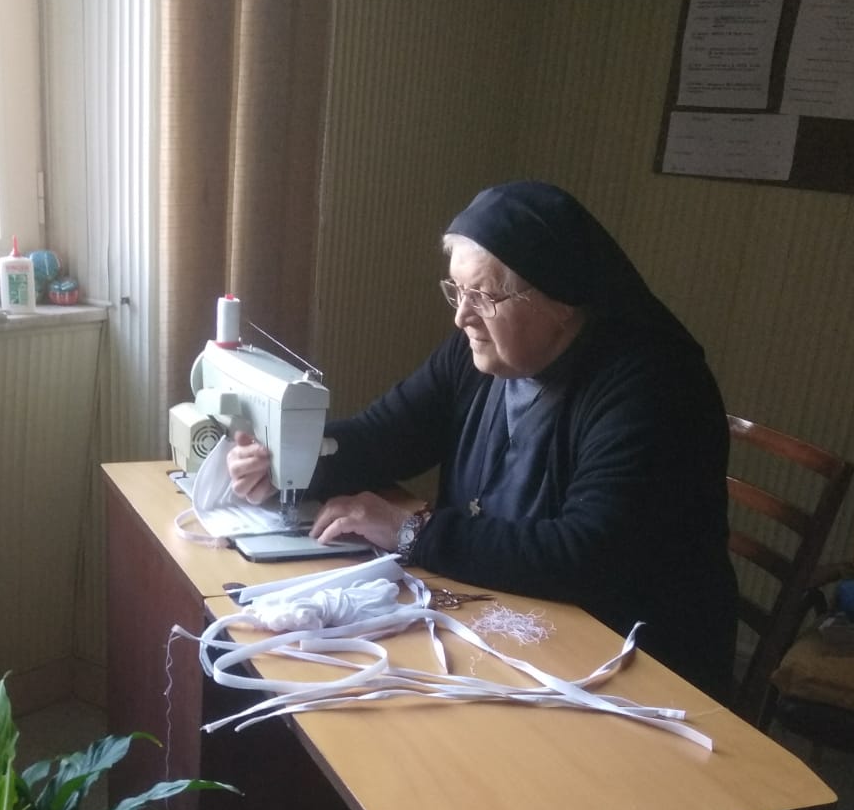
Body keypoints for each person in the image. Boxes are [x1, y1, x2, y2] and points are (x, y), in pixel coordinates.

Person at [227, 180, 738, 702]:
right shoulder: (477, 355)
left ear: (560, 301)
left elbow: (584, 555)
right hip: (509, 627)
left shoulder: (652, 387)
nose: (461, 316)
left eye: (484, 296)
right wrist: (290, 461)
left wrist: (411, 531)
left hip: (634, 667)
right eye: (456, 290)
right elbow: (384, 436)